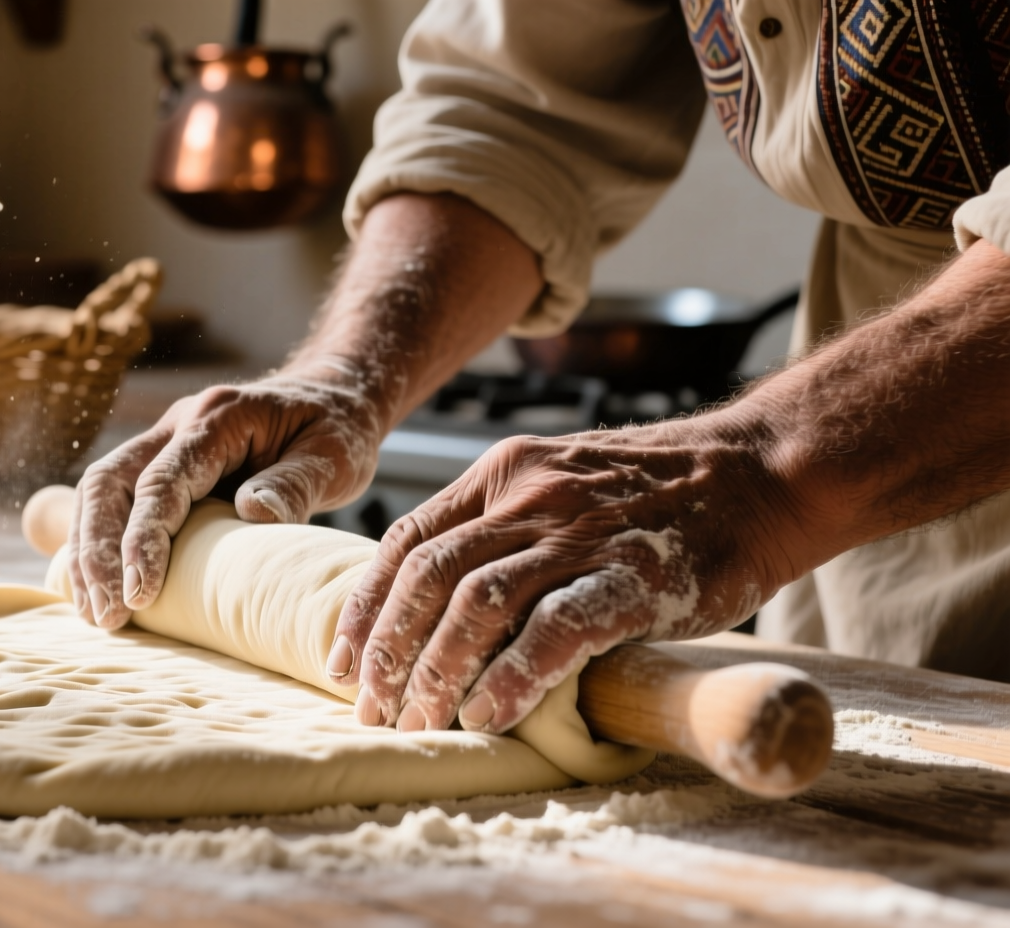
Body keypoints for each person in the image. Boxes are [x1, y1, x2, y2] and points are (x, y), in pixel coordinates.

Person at [66, 0, 1010, 736]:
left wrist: (765, 467)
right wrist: (343, 376)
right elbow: (514, 109)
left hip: (927, 401)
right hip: (868, 531)